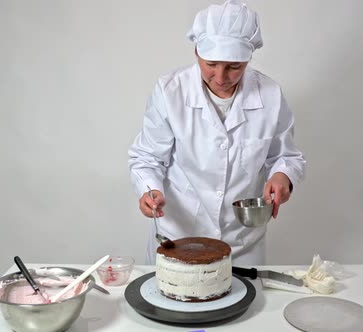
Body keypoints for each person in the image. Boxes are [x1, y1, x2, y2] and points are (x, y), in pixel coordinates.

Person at [128, 0, 305, 265]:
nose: (221, 77)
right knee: (174, 305)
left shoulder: (270, 95)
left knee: (247, 306)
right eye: (211, 63)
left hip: (241, 245)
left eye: (234, 66)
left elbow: (286, 157)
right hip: (179, 238)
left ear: (248, 58)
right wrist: (149, 189)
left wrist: (282, 176)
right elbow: (147, 157)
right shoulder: (170, 91)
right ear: (197, 51)